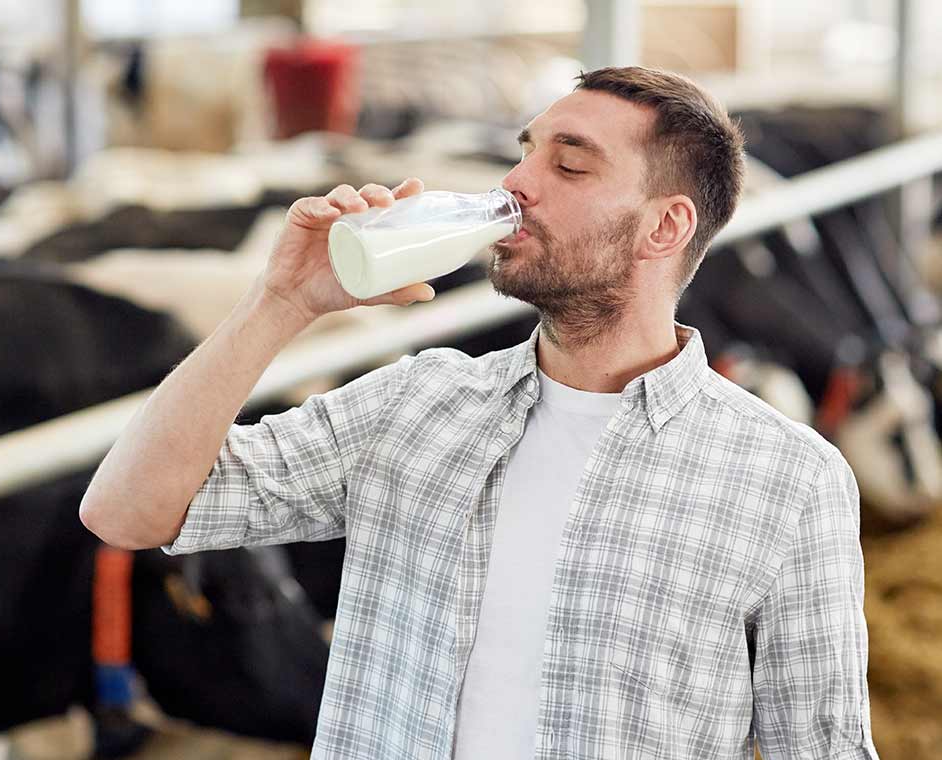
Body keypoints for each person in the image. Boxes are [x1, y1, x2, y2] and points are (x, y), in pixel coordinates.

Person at [80, 66, 880, 760]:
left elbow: (824, 744)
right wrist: (279, 302)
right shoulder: (416, 402)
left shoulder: (788, 479)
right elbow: (127, 509)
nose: (516, 184)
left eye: (568, 166)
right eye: (522, 153)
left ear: (665, 225)